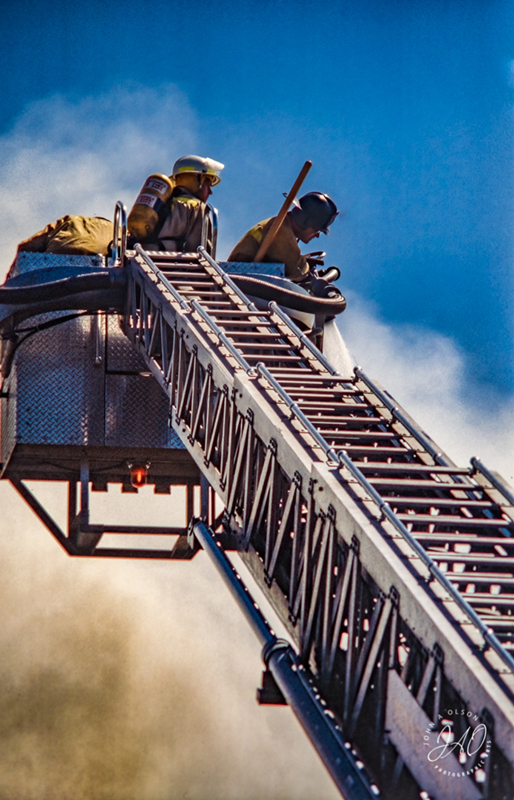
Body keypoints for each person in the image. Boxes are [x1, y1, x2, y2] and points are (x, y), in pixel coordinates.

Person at [228, 192, 339, 282]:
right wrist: (307, 270)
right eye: (316, 229)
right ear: (305, 221)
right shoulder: (280, 229)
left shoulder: (283, 227)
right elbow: (293, 268)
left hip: (245, 281)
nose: (317, 235)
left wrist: (305, 265)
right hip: (239, 282)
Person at [135, 155, 224, 252]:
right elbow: (199, 251)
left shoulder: (159, 204)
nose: (210, 192)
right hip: (169, 260)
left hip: (141, 256)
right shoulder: (198, 208)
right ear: (200, 181)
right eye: (208, 184)